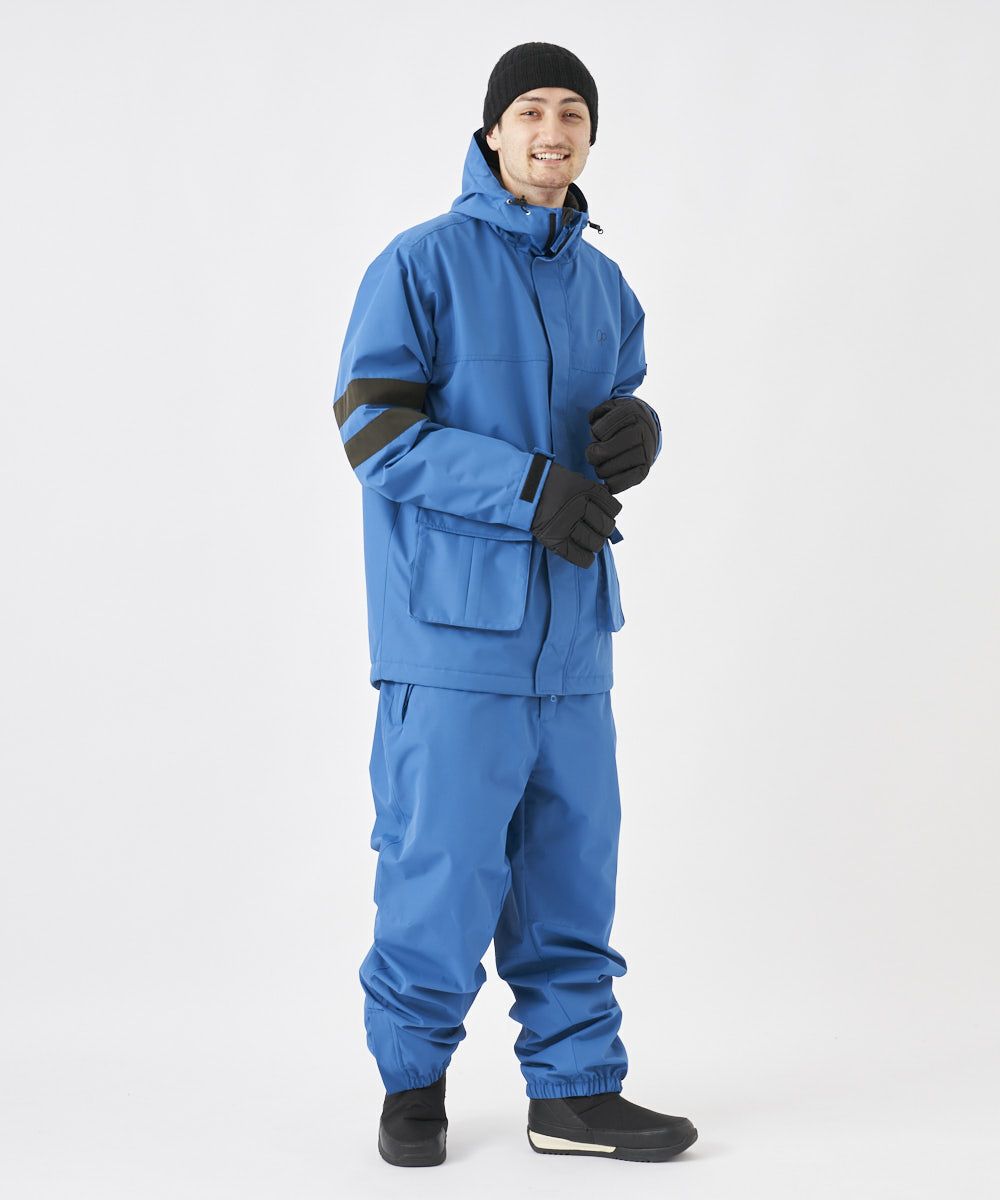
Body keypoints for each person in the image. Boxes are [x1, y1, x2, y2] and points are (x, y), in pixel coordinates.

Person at [333, 41, 697, 1167]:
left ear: (590, 136)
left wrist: (640, 432)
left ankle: (574, 1091)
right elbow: (375, 431)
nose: (551, 131)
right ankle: (412, 1086)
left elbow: (613, 408)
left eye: (572, 113)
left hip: (573, 638)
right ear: (492, 132)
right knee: (440, 868)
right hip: (451, 638)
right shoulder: (422, 264)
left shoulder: (605, 287)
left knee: (572, 873)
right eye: (530, 111)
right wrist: (529, 488)